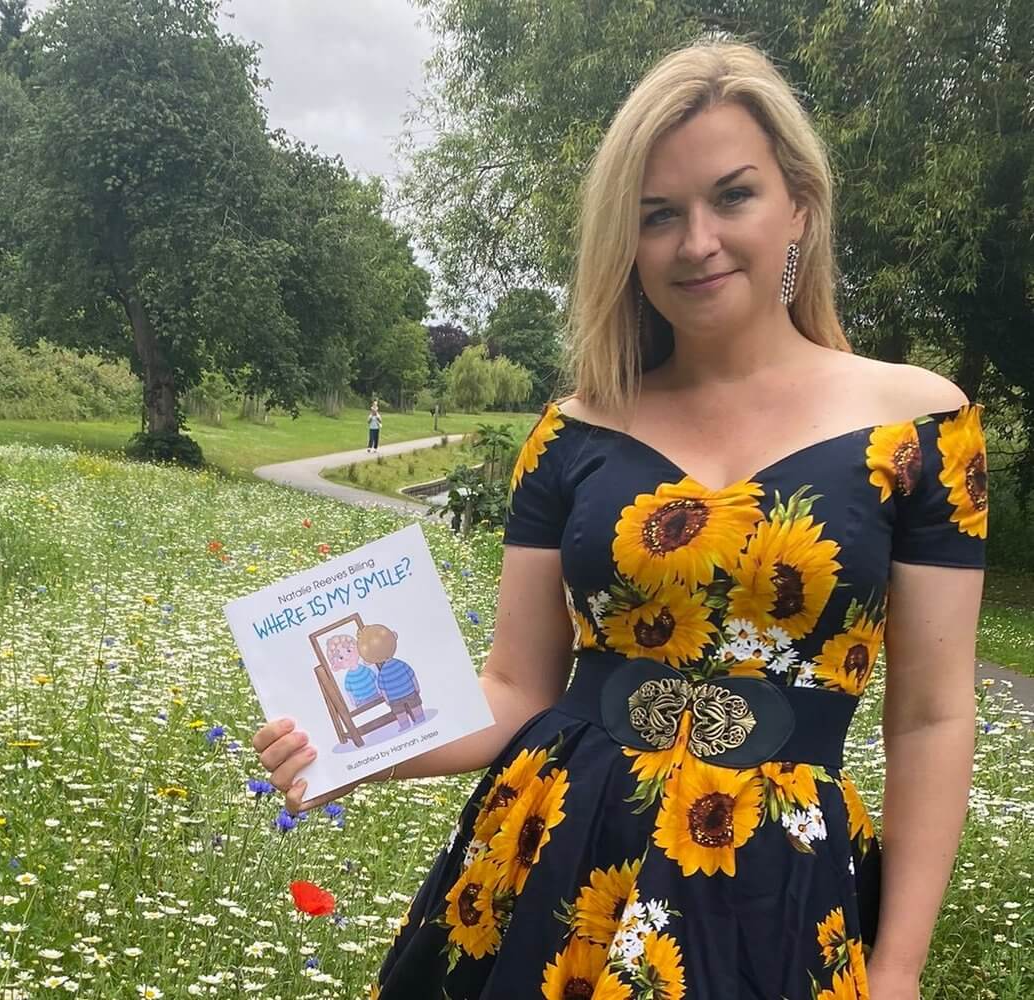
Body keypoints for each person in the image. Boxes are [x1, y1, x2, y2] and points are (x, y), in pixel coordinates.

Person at [251, 40, 987, 1000]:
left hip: (780, 889)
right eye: (658, 215)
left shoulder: (920, 427)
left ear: (799, 204)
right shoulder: (570, 435)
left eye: (733, 196)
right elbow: (516, 688)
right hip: (559, 858)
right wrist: (356, 755)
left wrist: (898, 968)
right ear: (626, 243)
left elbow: (931, 718)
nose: (696, 241)